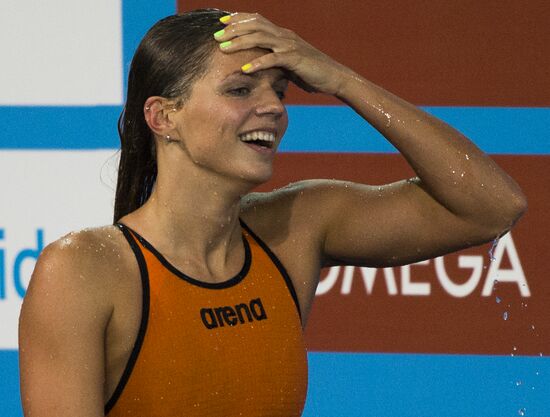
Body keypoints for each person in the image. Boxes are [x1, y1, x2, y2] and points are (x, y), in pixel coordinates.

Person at [18, 8, 527, 417]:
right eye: (240, 90)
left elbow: (492, 207)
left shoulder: (295, 227)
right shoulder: (85, 270)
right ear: (163, 116)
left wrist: (342, 80)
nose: (275, 107)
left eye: (278, 91)